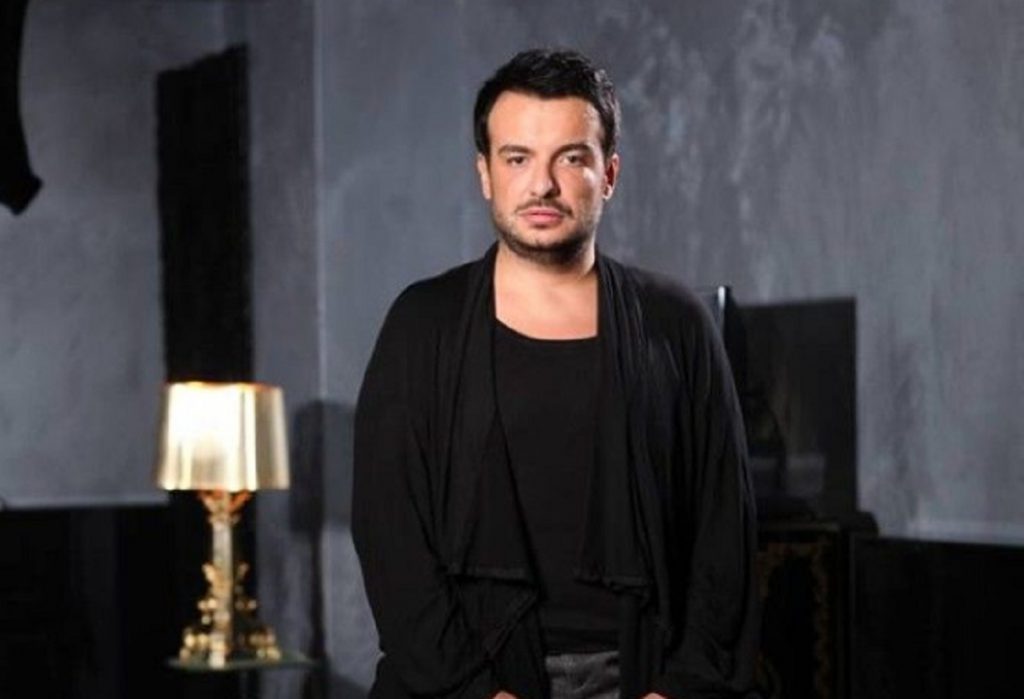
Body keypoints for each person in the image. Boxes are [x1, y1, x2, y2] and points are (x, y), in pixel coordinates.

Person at [352, 48, 759, 699]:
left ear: (609, 173)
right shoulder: (422, 324)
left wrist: (678, 689)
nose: (541, 185)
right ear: (486, 173)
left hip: (642, 676)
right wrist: (478, 693)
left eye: (570, 158)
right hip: (464, 679)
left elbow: (724, 532)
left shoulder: (675, 322)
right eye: (517, 158)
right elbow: (390, 535)